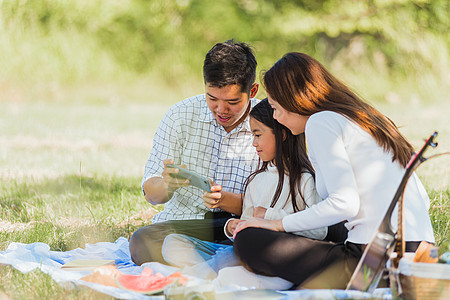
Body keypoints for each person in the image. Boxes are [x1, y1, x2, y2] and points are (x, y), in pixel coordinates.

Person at [232, 52, 435, 289]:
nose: (276, 117)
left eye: (276, 108)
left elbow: (345, 204)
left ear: (294, 100)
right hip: (419, 253)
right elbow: (423, 199)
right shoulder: (365, 119)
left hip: (373, 260)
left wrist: (277, 223)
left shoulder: (321, 122)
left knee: (248, 239)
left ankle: (362, 283)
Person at [161, 99, 327, 289]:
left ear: (281, 134)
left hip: (271, 253)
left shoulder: (304, 179)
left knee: (228, 258)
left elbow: (320, 230)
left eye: (257, 135)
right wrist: (232, 226)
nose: (253, 143)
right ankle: (212, 272)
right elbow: (245, 229)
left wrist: (270, 217)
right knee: (172, 242)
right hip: (241, 250)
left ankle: (188, 278)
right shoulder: (256, 180)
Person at [129, 40, 260, 265]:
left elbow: (274, 203)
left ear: (253, 90)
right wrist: (168, 185)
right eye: (212, 98)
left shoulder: (268, 122)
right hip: (186, 225)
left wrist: (225, 202)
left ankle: (208, 261)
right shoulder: (180, 115)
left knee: (263, 243)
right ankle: (226, 262)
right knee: (142, 241)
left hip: (242, 226)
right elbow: (151, 194)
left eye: (232, 102)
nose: (221, 110)